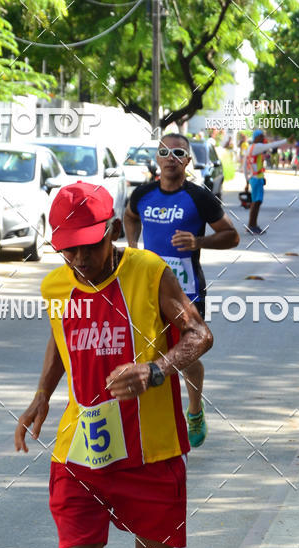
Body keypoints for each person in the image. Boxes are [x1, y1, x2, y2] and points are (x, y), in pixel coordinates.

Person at [14, 182, 213, 548]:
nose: (77, 259)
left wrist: (155, 371)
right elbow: (61, 337)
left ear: (108, 231)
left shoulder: (150, 273)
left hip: (151, 448)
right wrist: (41, 396)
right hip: (81, 449)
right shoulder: (56, 284)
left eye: (86, 246)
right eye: (66, 249)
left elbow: (199, 334)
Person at [124, 133, 239, 448]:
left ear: (188, 161)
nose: (171, 157)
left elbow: (232, 236)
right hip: (148, 288)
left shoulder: (199, 197)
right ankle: (149, 420)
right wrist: (133, 247)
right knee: (151, 351)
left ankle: (195, 409)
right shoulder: (143, 194)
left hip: (187, 291)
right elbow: (130, 216)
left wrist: (198, 242)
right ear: (157, 158)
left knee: (187, 353)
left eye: (178, 152)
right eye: (165, 151)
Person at [243, 128, 287, 233]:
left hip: (254, 178)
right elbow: (271, 145)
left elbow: (245, 166)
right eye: (262, 136)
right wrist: (286, 140)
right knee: (256, 203)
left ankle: (252, 225)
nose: (263, 138)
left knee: (255, 202)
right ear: (257, 137)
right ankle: (252, 226)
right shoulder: (257, 147)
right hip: (257, 179)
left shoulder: (250, 148)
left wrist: (247, 181)